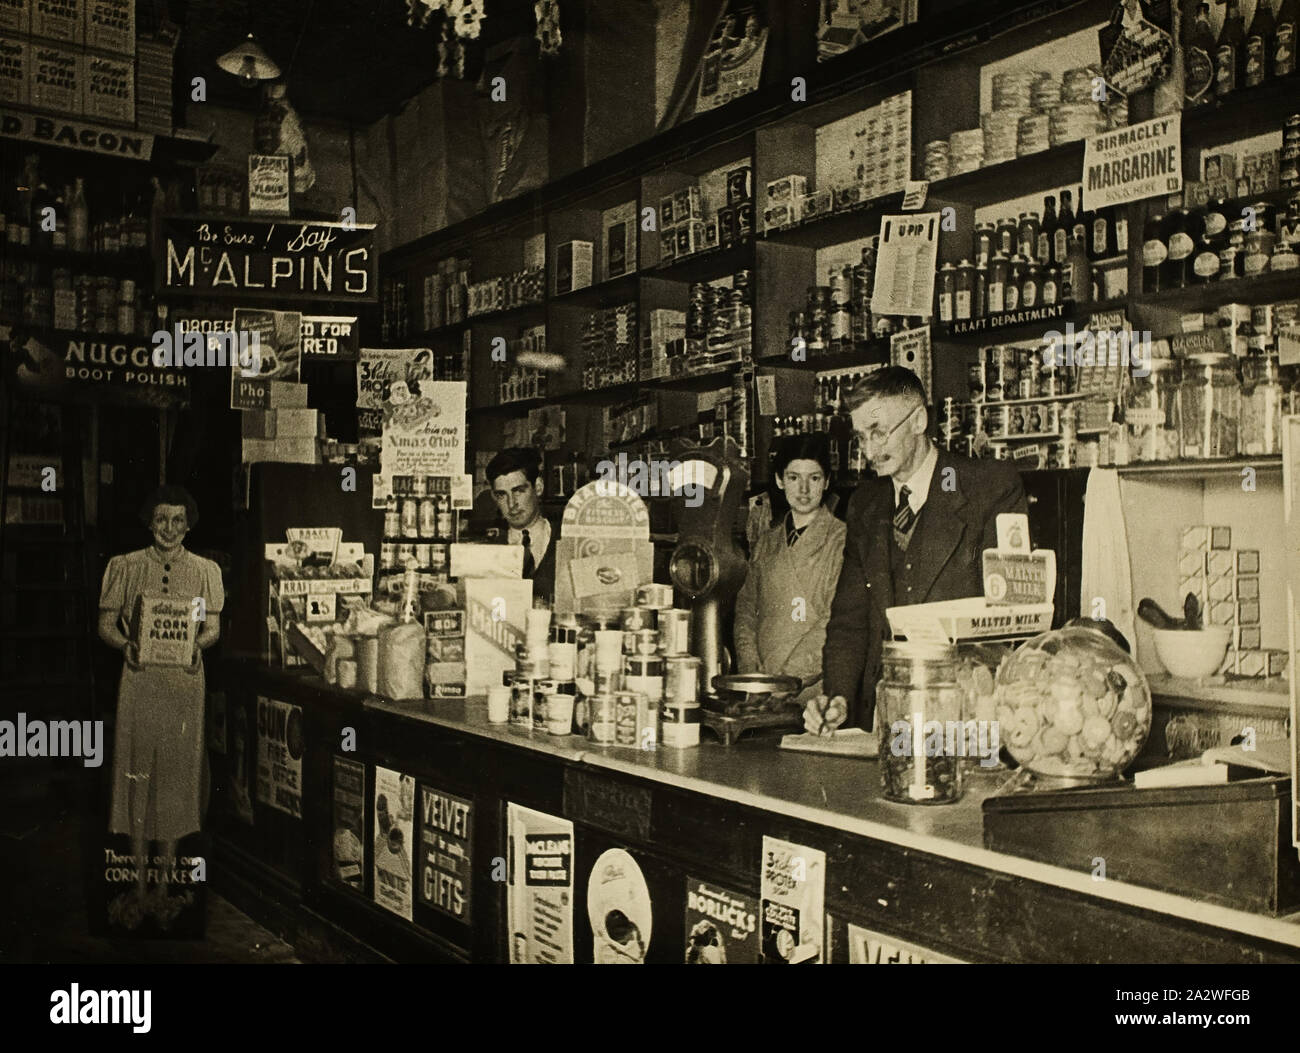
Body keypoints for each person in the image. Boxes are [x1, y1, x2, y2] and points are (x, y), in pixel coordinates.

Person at [805, 367, 1027, 734]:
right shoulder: (866, 503)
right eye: (861, 436)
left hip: (960, 713)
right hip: (881, 716)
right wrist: (839, 696)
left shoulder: (990, 488)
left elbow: (1010, 616)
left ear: (919, 419)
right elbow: (849, 621)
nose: (870, 450)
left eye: (879, 432)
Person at [97, 486, 224, 929]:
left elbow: (212, 629)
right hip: (140, 681)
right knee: (136, 773)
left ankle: (165, 888)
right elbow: (105, 625)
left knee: (174, 778)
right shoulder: (126, 566)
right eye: (160, 520)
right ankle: (135, 887)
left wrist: (195, 647)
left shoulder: (206, 571)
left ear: (188, 524)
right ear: (149, 522)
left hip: (184, 684)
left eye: (177, 520)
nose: (168, 528)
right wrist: (126, 645)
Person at [732, 434, 845, 703]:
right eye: (794, 478)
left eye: (814, 478)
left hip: (812, 693)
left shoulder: (842, 540)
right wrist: (752, 674)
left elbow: (835, 622)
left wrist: (786, 680)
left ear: (827, 481)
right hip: (760, 691)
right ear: (780, 480)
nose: (804, 489)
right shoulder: (767, 541)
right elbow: (746, 609)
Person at [486, 447, 559, 604]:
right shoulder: (488, 546)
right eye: (501, 495)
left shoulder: (566, 540)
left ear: (538, 487)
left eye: (518, 491)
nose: (511, 504)